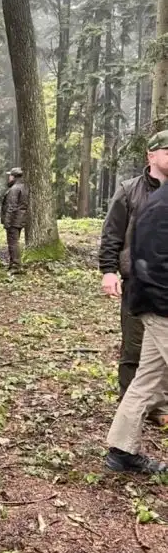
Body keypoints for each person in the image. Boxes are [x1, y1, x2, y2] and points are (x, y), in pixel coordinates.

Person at [99, 130, 168, 425]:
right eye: (167, 150)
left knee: (159, 353)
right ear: (151, 155)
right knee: (134, 348)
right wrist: (109, 271)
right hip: (137, 284)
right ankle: (130, 407)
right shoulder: (130, 190)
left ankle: (159, 407)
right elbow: (111, 234)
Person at [105, 180, 168, 474]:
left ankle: (121, 450)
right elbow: (153, 265)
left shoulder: (158, 200)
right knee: (144, 372)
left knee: (147, 378)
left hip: (153, 304)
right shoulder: (159, 206)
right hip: (160, 306)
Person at [0, 167, 28, 269]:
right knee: (14, 242)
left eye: (10, 176)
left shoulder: (14, 189)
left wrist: (7, 221)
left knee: (13, 243)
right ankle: (13, 264)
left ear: (14, 176)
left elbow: (11, 206)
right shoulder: (23, 187)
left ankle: (16, 265)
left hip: (14, 220)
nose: (9, 178)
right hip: (20, 219)